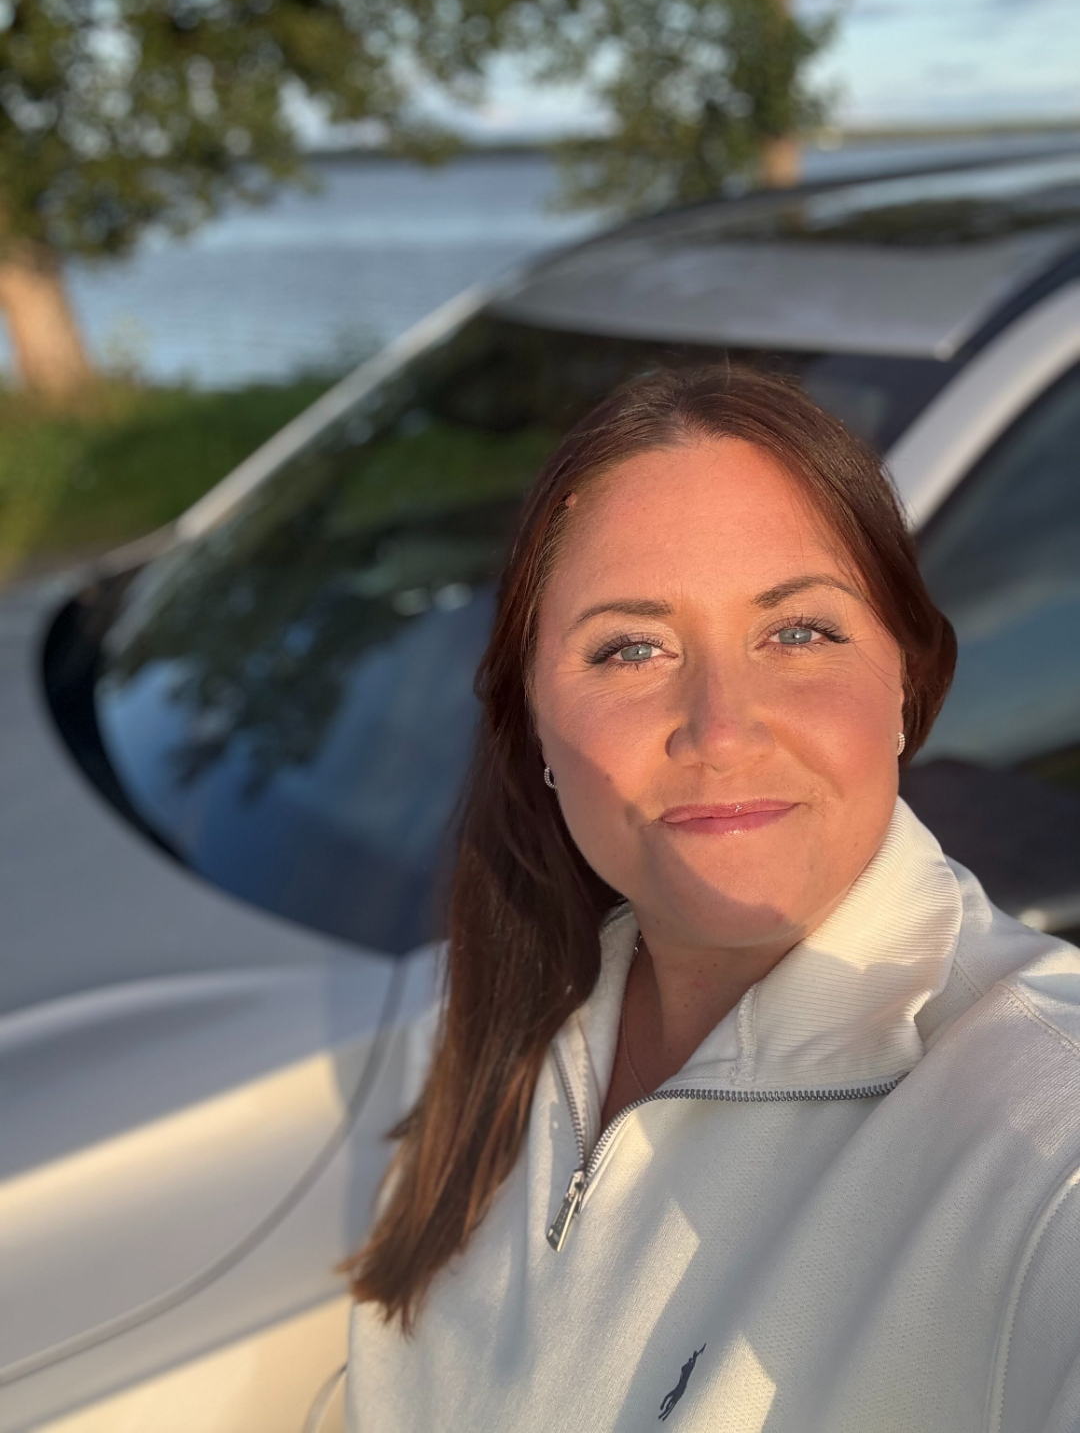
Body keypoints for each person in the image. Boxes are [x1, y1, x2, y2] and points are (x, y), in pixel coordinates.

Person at [342, 365, 1080, 1432]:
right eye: (632, 649)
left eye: (799, 632)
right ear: (532, 719)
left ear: (905, 682)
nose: (722, 732)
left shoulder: (1040, 1133)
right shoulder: (491, 1019)